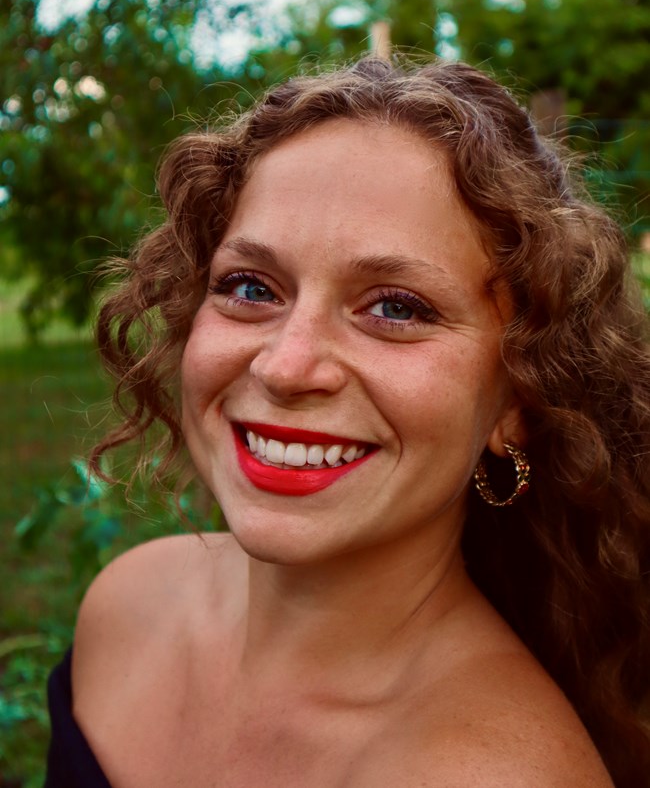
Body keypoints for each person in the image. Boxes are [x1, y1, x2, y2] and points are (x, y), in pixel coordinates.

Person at [45, 57, 650, 788]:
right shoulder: (126, 605)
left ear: (520, 400)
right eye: (249, 287)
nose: (286, 366)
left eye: (396, 306)